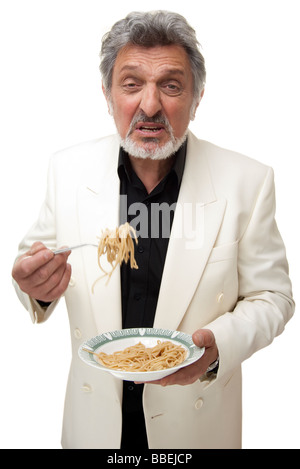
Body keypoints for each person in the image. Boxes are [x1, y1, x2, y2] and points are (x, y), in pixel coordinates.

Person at [12, 10, 294, 450]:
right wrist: (36, 285)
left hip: (196, 428)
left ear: (197, 98)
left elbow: (273, 296)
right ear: (108, 95)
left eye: (171, 85)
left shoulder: (247, 181)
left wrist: (219, 345)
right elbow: (36, 263)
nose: (149, 105)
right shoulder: (67, 171)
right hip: (95, 426)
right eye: (131, 84)